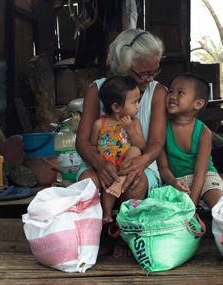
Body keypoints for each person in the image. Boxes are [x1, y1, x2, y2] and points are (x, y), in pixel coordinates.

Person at [75, 28, 167, 257]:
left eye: (154, 71)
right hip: (103, 159)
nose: (151, 78)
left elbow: (156, 142)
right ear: (123, 70)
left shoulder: (157, 92)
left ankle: (126, 237)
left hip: (138, 161)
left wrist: (140, 162)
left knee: (134, 184)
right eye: (144, 73)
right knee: (89, 183)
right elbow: (83, 141)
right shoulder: (97, 90)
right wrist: (98, 162)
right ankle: (96, 236)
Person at [157, 73, 223, 209]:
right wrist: (173, 181)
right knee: (165, 206)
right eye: (171, 91)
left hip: (205, 177)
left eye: (180, 93)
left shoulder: (203, 132)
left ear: (198, 103)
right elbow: (163, 167)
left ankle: (203, 205)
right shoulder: (162, 128)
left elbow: (200, 172)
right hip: (176, 180)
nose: (172, 96)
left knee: (219, 203)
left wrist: (192, 205)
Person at [90, 75, 145, 224]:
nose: (138, 106)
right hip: (109, 165)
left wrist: (130, 129)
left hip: (126, 164)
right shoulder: (99, 124)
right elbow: (93, 146)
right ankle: (107, 214)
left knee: (135, 151)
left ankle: (120, 184)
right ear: (116, 107)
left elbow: (140, 145)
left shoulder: (134, 122)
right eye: (134, 102)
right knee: (109, 183)